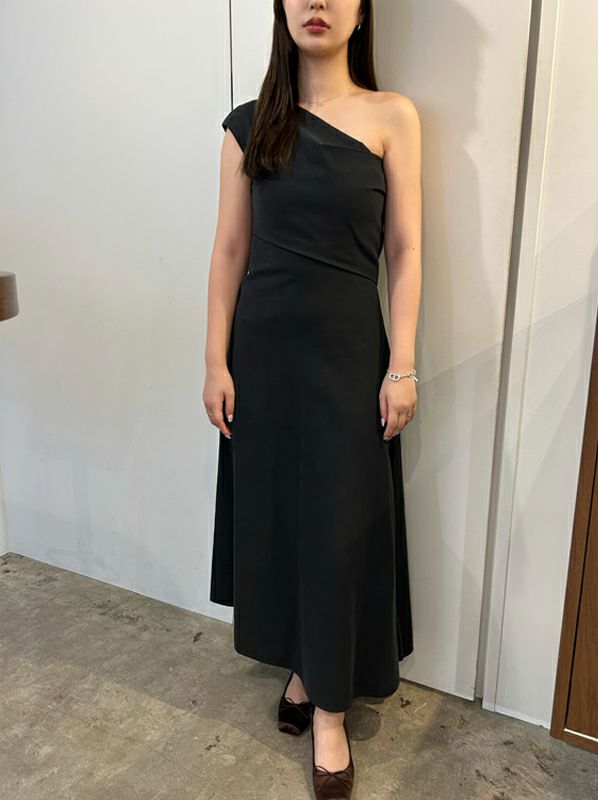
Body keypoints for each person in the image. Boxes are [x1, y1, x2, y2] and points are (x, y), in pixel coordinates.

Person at [203, 1, 422, 797]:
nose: (317, 2)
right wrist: (214, 360)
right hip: (263, 359)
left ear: (363, 10)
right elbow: (230, 248)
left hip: (348, 360)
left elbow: (405, 250)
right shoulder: (248, 124)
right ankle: (305, 669)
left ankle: (330, 710)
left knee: (335, 527)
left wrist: (403, 365)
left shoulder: (393, 117)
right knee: (285, 521)